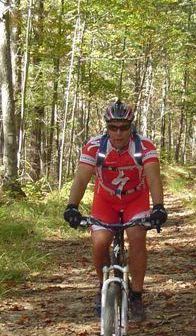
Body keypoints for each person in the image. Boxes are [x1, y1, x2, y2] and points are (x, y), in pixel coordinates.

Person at [63, 101, 167, 322]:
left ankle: (137, 296)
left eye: (123, 127)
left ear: (131, 127)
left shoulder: (144, 147)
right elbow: (81, 177)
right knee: (100, 242)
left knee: (137, 236)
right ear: (106, 127)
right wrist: (72, 205)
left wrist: (158, 207)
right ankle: (103, 289)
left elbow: (154, 178)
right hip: (105, 201)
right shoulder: (94, 147)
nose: (118, 133)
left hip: (135, 200)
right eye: (113, 127)